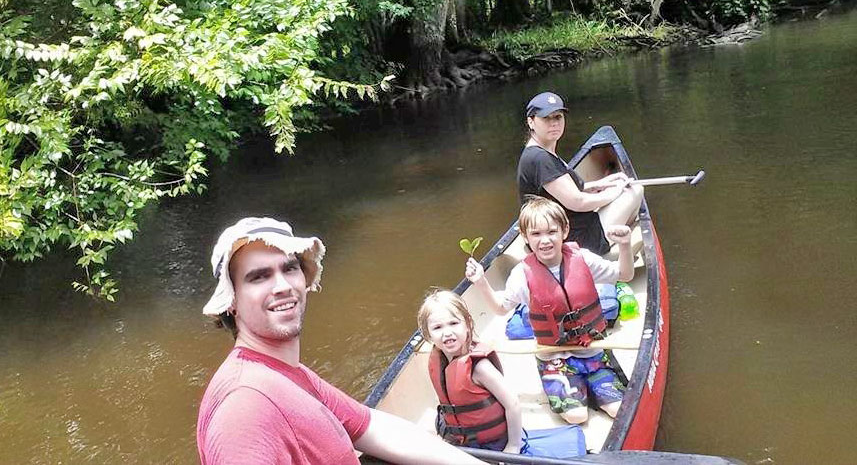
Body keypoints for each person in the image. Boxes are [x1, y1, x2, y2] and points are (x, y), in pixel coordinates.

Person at [196, 217, 484, 465]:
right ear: (231, 301)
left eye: (289, 268)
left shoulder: (288, 375)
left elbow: (372, 427)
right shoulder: (244, 409)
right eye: (259, 277)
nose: (282, 286)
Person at [465, 198, 632, 424]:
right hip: (554, 356)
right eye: (536, 234)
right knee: (576, 416)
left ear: (565, 231)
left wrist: (624, 244)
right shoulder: (522, 275)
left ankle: (594, 386)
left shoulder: (583, 258)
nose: (545, 240)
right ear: (525, 237)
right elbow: (501, 308)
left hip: (592, 350)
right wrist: (482, 282)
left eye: (552, 231)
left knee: (618, 409)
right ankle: (572, 385)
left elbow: (625, 274)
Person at [518, 91, 643, 256]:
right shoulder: (540, 158)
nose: (554, 123)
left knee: (623, 192)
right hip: (573, 240)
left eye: (558, 117)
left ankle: (616, 243)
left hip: (566, 231)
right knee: (635, 191)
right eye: (546, 118)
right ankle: (608, 255)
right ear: (531, 122)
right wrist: (615, 191)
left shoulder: (541, 152)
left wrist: (602, 184)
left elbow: (561, 190)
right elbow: (577, 201)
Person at [417, 289, 523, 454]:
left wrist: (514, 445)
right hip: (458, 438)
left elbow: (513, 404)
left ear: (467, 324)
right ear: (428, 335)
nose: (447, 333)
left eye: (453, 323)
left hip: (491, 444)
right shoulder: (441, 360)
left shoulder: (479, 367)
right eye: (437, 327)